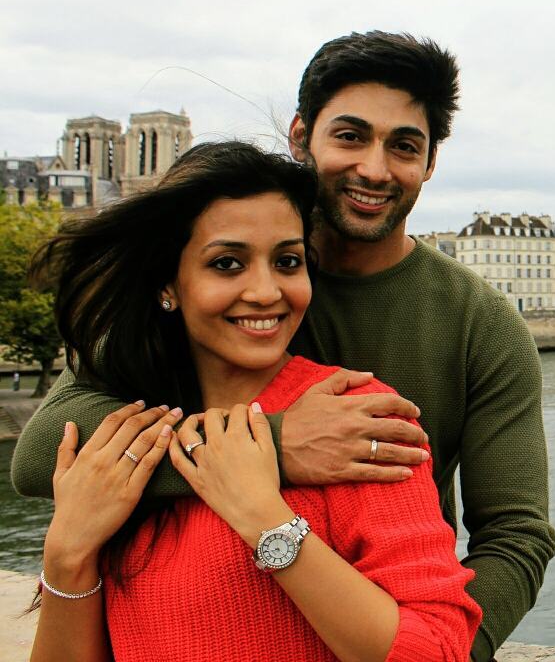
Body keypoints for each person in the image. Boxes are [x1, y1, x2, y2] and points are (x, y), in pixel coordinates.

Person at [13, 31, 555, 661]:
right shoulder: (199, 293)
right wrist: (277, 446)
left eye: (404, 146)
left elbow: (515, 535)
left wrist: (446, 648)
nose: (375, 169)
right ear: (301, 137)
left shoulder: (478, 324)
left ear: (430, 163)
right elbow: (42, 457)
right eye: (350, 136)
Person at [28, 141, 481, 662]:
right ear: (166, 285)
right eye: (227, 264)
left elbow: (439, 651)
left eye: (287, 261)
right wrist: (66, 554)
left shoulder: (355, 419)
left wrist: (266, 520)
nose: (267, 291)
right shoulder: (126, 436)